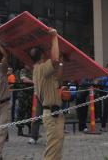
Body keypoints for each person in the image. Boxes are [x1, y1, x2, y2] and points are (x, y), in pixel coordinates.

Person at [31, 28, 64, 160]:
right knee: (53, 146)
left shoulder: (41, 71)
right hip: (50, 113)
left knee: (57, 143)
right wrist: (54, 37)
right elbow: (55, 59)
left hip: (55, 112)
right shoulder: (42, 68)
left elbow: (58, 75)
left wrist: (62, 62)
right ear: (43, 56)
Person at [16, 65, 34, 137]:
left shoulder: (33, 71)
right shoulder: (23, 71)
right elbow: (24, 80)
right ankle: (20, 130)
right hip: (23, 95)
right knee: (21, 112)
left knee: (30, 112)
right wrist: (34, 81)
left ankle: (30, 129)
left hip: (31, 95)